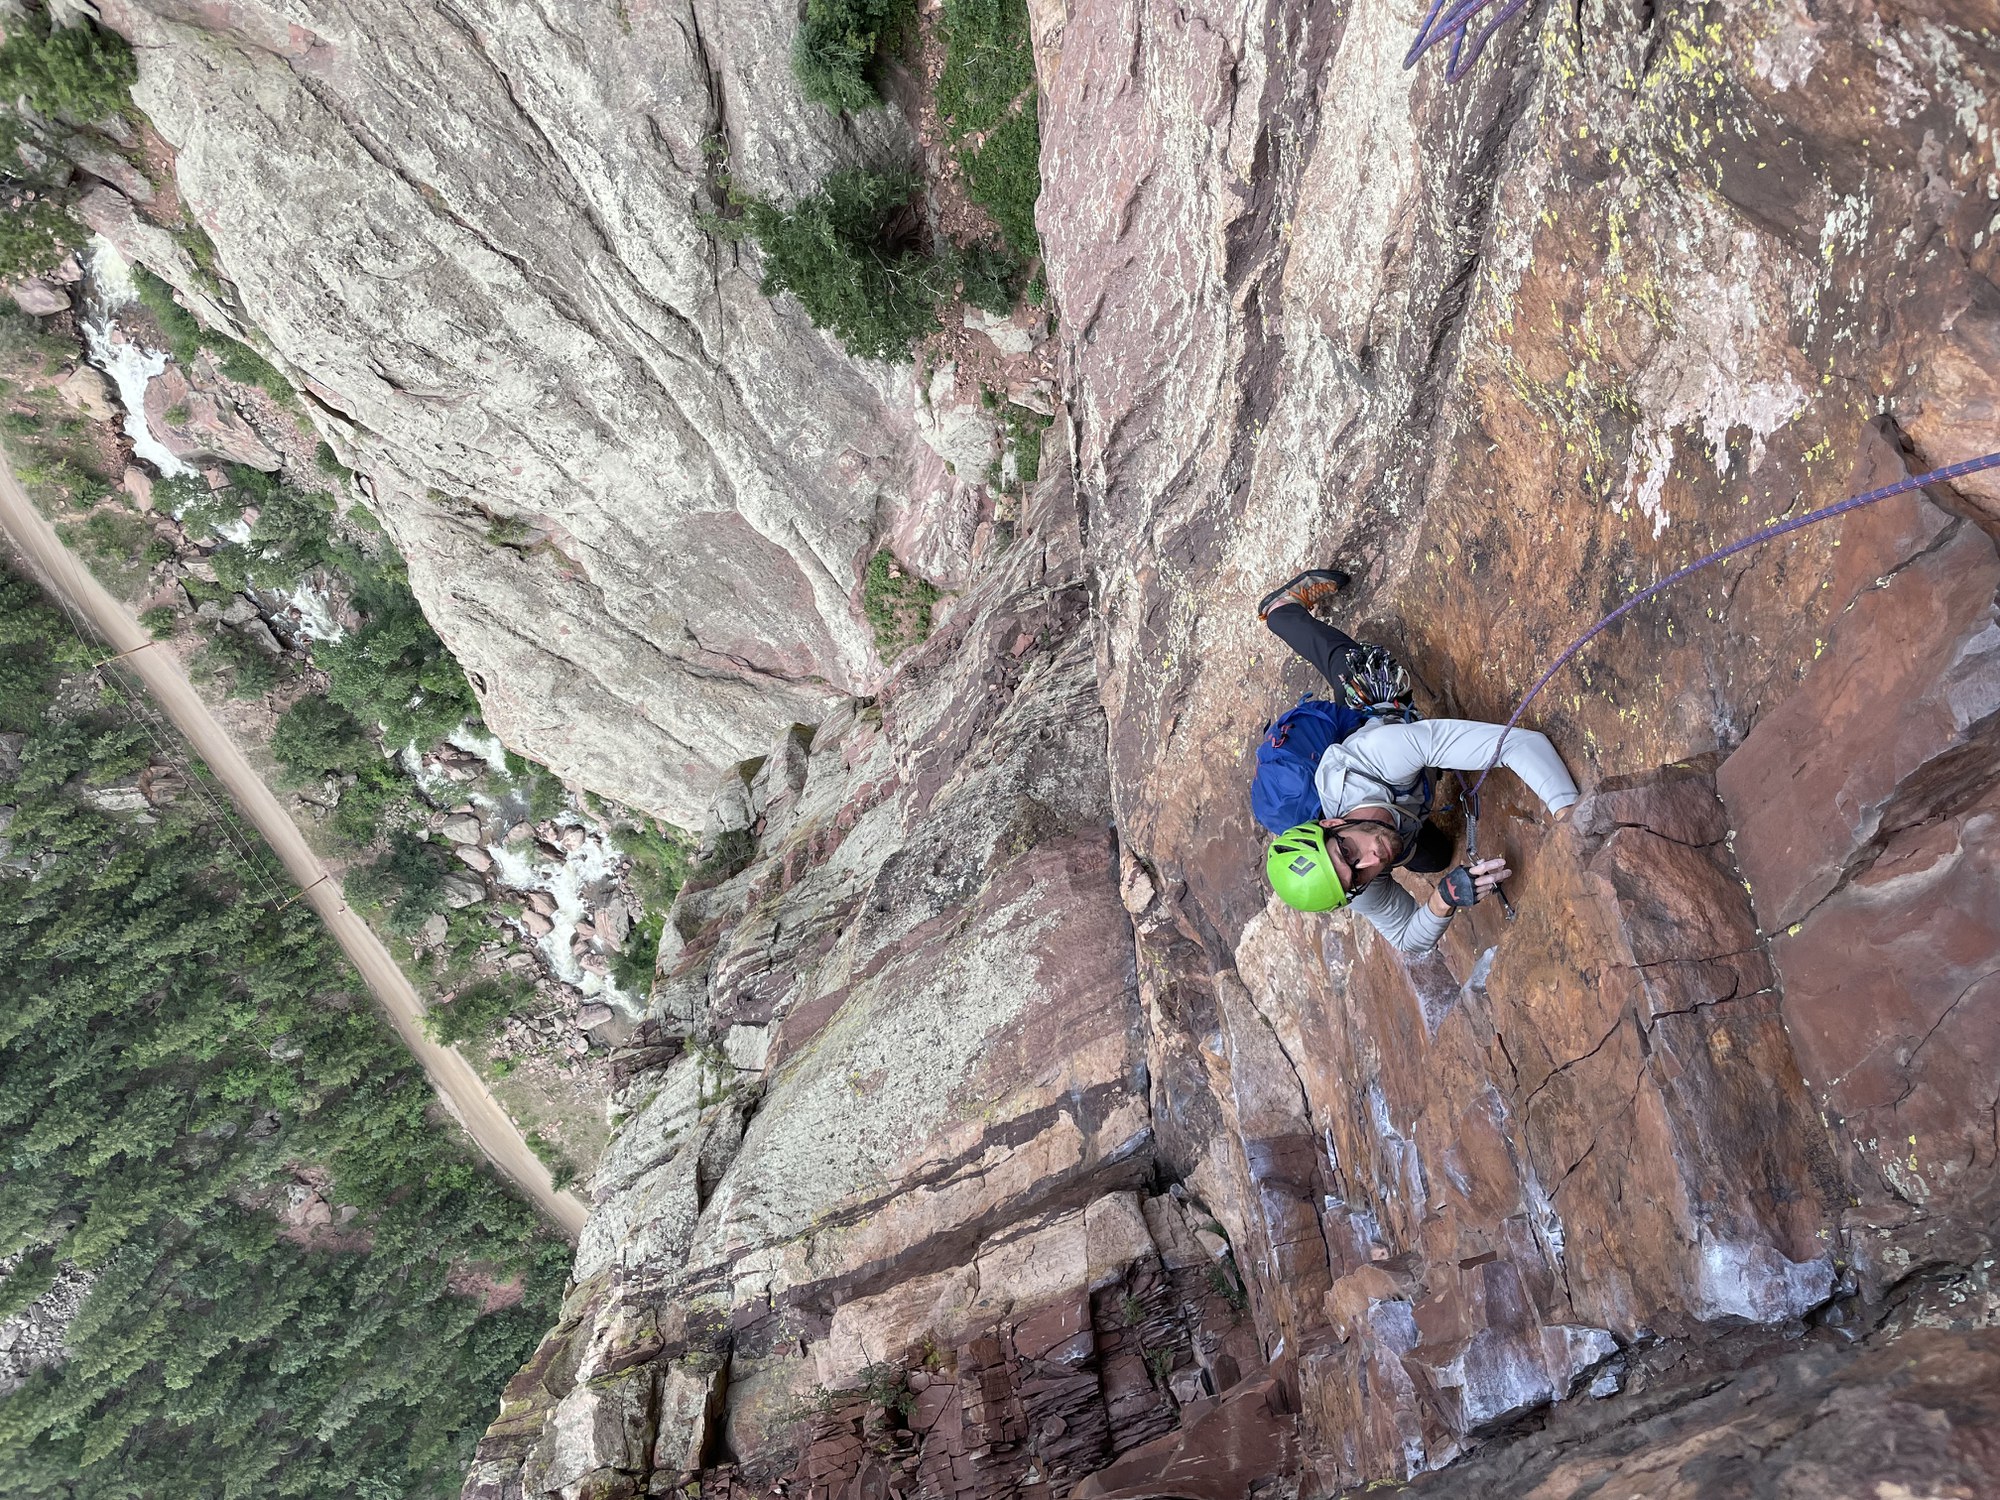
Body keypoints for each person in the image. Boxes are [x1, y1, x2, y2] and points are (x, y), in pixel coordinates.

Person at [1256, 566, 1580, 954]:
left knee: (1358, 671)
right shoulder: (1350, 881)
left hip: (1370, 744)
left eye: (1348, 852)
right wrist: (1443, 899)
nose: (1371, 859)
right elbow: (1409, 940)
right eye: (1357, 877)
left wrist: (1571, 818)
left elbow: (1518, 745)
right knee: (1437, 857)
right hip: (1393, 809)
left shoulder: (1382, 753)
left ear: (1331, 823)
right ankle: (1415, 806)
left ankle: (1281, 612)